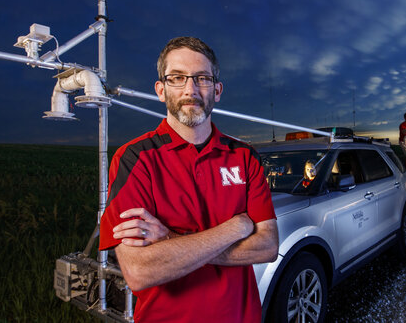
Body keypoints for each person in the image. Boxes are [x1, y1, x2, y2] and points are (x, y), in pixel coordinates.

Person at [98, 36, 279, 322]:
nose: (190, 89)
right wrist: (236, 226)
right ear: (160, 89)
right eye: (177, 78)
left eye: (202, 78)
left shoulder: (245, 157)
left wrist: (169, 240)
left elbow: (268, 247)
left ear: (217, 90)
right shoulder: (135, 159)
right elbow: (140, 271)